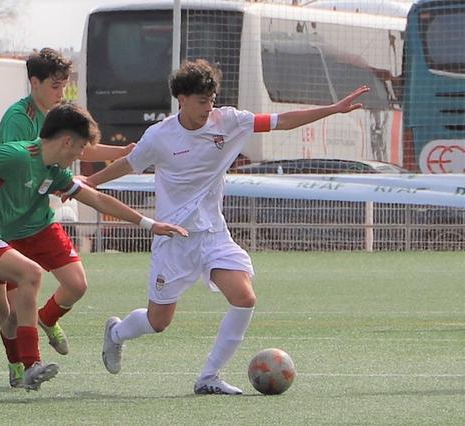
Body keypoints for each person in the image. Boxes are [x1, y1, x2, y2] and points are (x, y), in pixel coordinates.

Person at [84, 59, 370, 395]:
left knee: (244, 297)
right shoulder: (159, 137)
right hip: (173, 239)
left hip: (213, 234)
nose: (209, 107)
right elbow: (127, 164)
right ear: (182, 99)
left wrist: (332, 110)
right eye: (202, 101)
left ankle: (209, 377)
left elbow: (282, 121)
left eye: (212, 99)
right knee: (158, 322)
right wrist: (88, 183)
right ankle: (116, 333)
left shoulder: (229, 121)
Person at [0, 103, 187, 396]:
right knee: (30, 273)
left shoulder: (54, 172)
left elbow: (97, 199)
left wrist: (149, 224)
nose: (80, 155)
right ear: (66, 141)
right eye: (80, 148)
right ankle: (32, 363)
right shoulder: (18, 155)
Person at [0, 47, 135, 388]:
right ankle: (17, 365)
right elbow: (20, 164)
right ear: (34, 83)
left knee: (76, 284)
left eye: (64, 86)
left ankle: (48, 318)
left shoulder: (59, 114)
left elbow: (79, 145)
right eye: (55, 86)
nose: (61, 93)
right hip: (8, 225)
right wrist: (58, 180)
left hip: (40, 220)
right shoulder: (18, 118)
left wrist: (120, 152)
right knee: (11, 311)